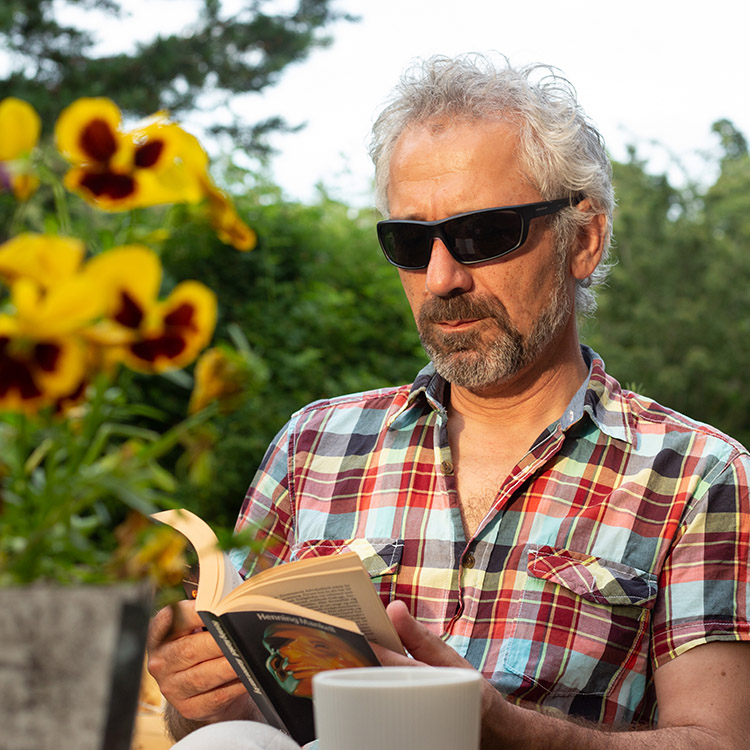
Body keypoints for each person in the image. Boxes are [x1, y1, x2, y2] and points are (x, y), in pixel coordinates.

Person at [147, 53, 750, 749]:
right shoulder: (313, 443)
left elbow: (721, 742)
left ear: (583, 240)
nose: (441, 277)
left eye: (484, 234)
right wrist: (196, 697)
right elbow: (238, 713)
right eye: (409, 241)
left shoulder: (699, 474)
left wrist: (498, 729)